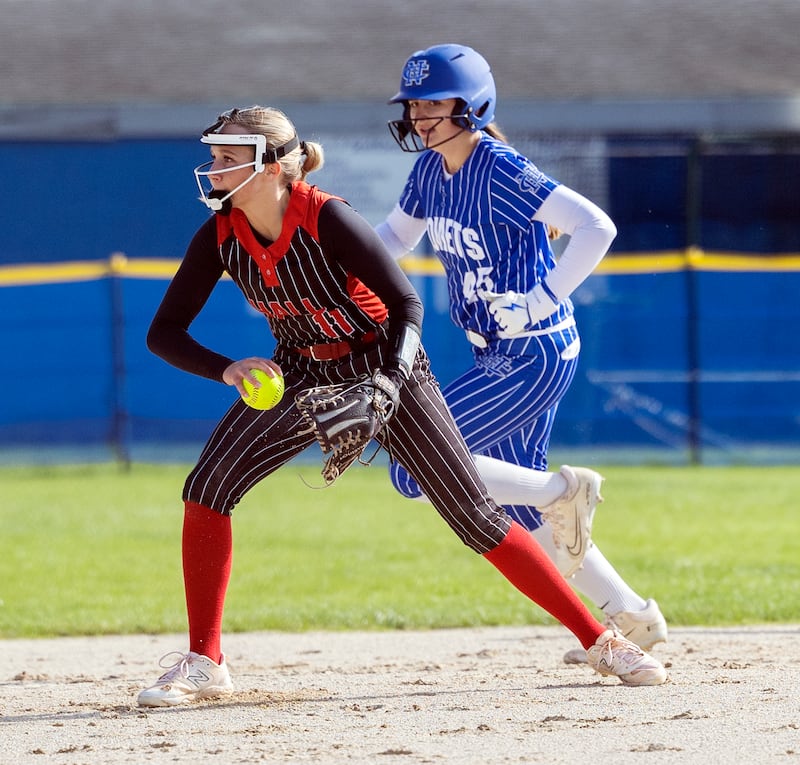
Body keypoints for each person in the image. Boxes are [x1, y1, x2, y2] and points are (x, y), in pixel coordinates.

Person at [138, 104, 666, 707]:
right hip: (303, 369)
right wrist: (227, 367)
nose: (214, 168)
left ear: (277, 166)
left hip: (390, 366)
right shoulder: (220, 235)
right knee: (207, 488)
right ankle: (206, 660)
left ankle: (603, 641)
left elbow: (407, 307)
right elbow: (165, 334)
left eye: (229, 158)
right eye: (214, 157)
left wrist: (386, 385)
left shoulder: (327, 217)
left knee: (476, 516)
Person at [375, 44, 667, 665]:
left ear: (472, 104)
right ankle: (633, 615)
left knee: (415, 465)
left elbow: (597, 227)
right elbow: (396, 237)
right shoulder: (430, 171)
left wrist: (542, 297)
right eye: (414, 103)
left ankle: (565, 488)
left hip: (535, 349)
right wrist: (339, 270)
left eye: (434, 101)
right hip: (495, 355)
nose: (420, 115)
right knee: (510, 500)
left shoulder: (499, 166)